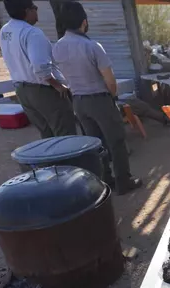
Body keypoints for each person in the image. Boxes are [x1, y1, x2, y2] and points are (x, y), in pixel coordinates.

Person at [52, 1, 142, 195]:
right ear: (84, 21)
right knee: (116, 141)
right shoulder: (92, 46)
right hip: (99, 99)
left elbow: (62, 74)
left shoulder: (57, 47)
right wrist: (111, 97)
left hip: (78, 101)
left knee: (95, 144)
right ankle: (123, 182)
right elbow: (110, 81)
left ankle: (104, 180)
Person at [0, 0, 77, 139]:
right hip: (43, 91)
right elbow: (40, 67)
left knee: (46, 133)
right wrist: (58, 86)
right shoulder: (32, 33)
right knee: (65, 133)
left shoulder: (5, 31)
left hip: (22, 90)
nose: (36, 12)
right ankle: (71, 161)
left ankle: (53, 160)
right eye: (35, 8)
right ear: (27, 11)